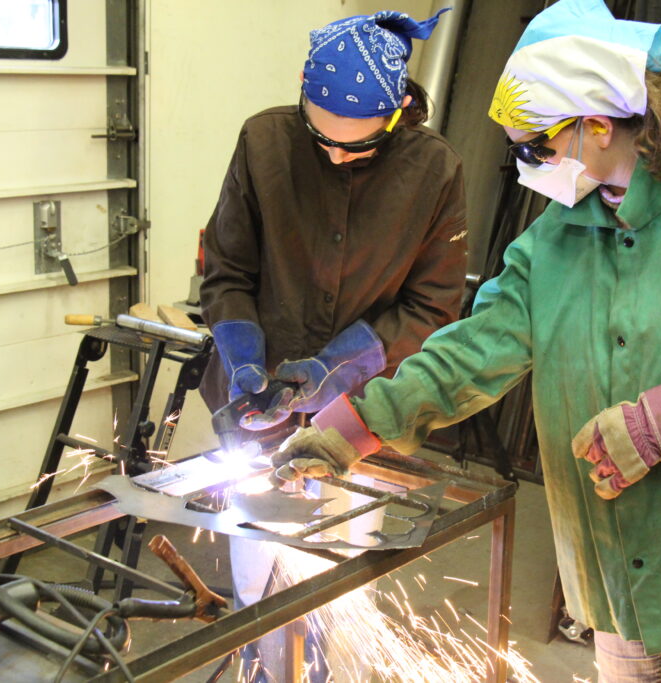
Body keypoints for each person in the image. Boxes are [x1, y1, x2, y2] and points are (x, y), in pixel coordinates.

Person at [269, 0, 661, 680]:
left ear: (600, 124)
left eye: (536, 147)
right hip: (613, 563)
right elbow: (474, 348)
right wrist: (353, 426)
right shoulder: (556, 241)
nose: (527, 166)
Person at [196, 8, 467, 681]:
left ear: (399, 110)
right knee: (256, 585)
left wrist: (336, 363)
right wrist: (242, 356)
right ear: (301, 89)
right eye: (323, 140)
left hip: (361, 416)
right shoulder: (264, 141)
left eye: (359, 147)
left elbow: (433, 305)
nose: (337, 156)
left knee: (339, 591)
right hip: (258, 409)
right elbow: (226, 268)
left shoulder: (435, 172)